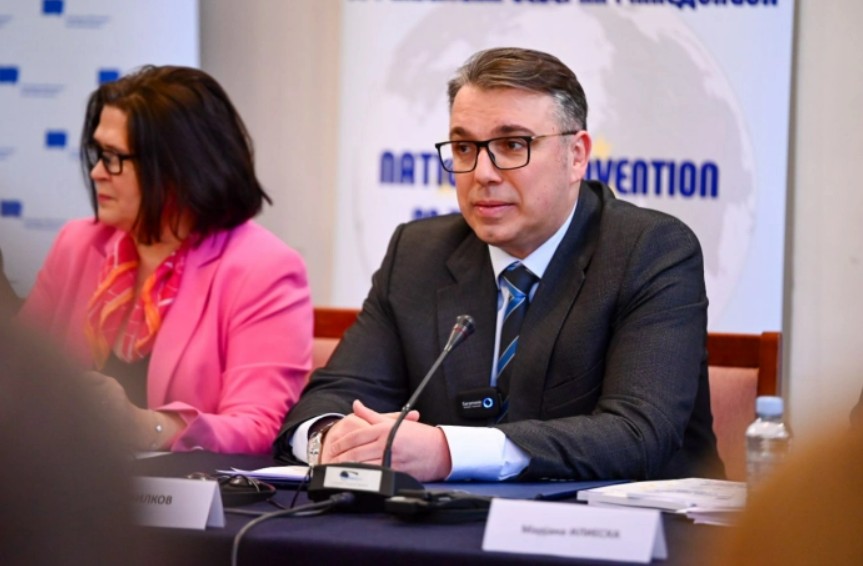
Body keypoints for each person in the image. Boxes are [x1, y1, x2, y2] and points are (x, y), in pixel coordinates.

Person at [274, 47, 722, 482]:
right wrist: (330, 440)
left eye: (511, 145)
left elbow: (638, 434)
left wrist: (448, 452)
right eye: (464, 148)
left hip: (622, 526)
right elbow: (333, 397)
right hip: (447, 524)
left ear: (577, 156)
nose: (483, 173)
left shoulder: (649, 251)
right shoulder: (418, 253)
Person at [18, 66, 313, 455]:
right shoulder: (77, 245)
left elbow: (261, 427)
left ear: (177, 167)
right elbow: (17, 376)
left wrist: (149, 427)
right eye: (98, 154)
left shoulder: (263, 268)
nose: (97, 173)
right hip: (64, 481)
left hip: (191, 490)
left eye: (114, 158)